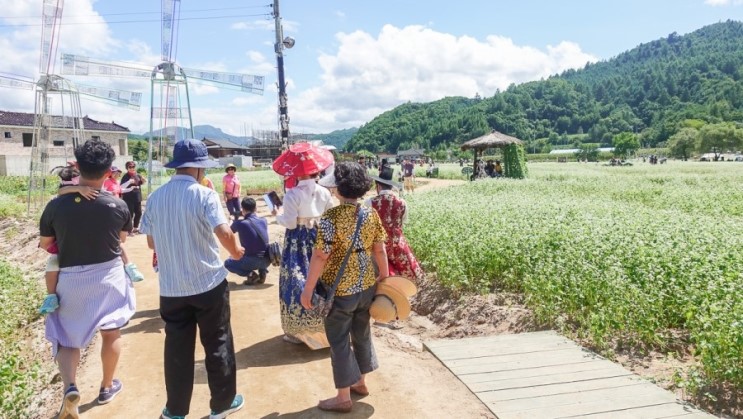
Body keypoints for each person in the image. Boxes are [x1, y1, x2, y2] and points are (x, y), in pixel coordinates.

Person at [139, 139, 245, 419]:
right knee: (218, 340)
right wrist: (235, 251)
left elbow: (151, 243)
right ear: (198, 169)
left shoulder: (156, 197)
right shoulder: (204, 195)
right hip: (208, 282)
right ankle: (221, 405)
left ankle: (175, 411)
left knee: (177, 348)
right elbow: (223, 232)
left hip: (171, 287)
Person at [39, 140, 136, 418]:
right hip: (108, 275)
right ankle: (107, 387)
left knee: (68, 339)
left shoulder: (56, 206)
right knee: (111, 330)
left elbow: (47, 244)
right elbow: (121, 239)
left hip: (71, 279)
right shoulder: (117, 205)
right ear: (109, 172)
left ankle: (71, 387)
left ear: (77, 167)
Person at [300, 162, 389, 413]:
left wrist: (308, 289)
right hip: (367, 286)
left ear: (338, 188)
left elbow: (320, 256)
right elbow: (379, 249)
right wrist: (383, 278)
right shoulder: (370, 214)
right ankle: (360, 382)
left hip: (340, 290)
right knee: (361, 333)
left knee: (338, 340)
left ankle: (342, 396)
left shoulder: (330, 218)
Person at [274, 163, 334, 348]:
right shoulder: (325, 192)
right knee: (322, 279)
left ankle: (298, 331)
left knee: (295, 281)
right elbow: (329, 217)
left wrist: (277, 215)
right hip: (318, 236)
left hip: (297, 241)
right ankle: (324, 328)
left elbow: (290, 224)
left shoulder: (292, 193)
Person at [225, 197, 271, 285]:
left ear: (242, 210)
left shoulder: (240, 224)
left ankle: (251, 274)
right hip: (267, 260)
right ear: (256, 208)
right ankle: (263, 272)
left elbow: (228, 232)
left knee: (228, 263)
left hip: (251, 261)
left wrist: (232, 219)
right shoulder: (264, 221)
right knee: (259, 247)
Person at [120, 161, 146, 235]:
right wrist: (129, 182)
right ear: (127, 168)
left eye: (133, 167)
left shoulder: (137, 175)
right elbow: (121, 187)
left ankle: (135, 228)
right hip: (128, 198)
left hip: (137, 197)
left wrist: (143, 181)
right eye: (130, 167)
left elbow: (141, 183)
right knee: (130, 214)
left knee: (139, 213)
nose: (132, 168)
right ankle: (129, 230)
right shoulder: (125, 176)